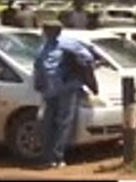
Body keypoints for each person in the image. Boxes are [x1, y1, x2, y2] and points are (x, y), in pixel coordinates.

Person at [32, 20, 96, 168]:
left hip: (66, 89)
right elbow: (38, 67)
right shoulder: (44, 47)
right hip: (51, 90)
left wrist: (76, 70)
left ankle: (57, 157)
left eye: (46, 30)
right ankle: (49, 157)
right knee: (49, 123)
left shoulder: (67, 44)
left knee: (62, 123)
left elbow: (87, 59)